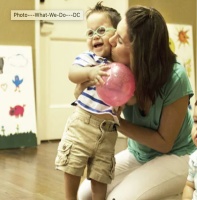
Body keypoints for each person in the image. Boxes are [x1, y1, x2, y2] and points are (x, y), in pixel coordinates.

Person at [77, 5, 196, 200]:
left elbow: (164, 143)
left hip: (179, 155)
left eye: (120, 40)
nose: (111, 41)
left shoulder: (176, 77)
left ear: (140, 52)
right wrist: (81, 91)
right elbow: (80, 89)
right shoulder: (114, 66)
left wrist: (116, 121)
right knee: (85, 195)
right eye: (115, 34)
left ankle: (176, 193)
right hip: (139, 153)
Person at [54, 2, 121, 200]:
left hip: (108, 131)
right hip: (82, 124)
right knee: (72, 167)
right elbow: (72, 74)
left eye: (101, 30)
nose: (95, 37)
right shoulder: (88, 59)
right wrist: (89, 72)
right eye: (90, 33)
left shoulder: (120, 65)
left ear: (116, 35)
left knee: (101, 173)